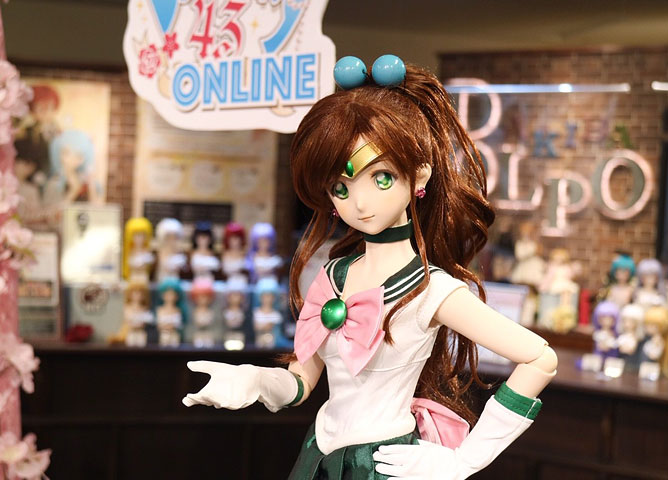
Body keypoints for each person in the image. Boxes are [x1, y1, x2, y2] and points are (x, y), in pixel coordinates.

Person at [183, 55, 557, 479]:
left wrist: (464, 461)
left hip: (382, 465)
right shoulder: (333, 277)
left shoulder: (431, 290)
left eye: (381, 178)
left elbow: (539, 359)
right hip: (317, 458)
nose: (359, 203)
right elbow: (301, 382)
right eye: (340, 187)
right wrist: (255, 382)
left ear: (419, 175)